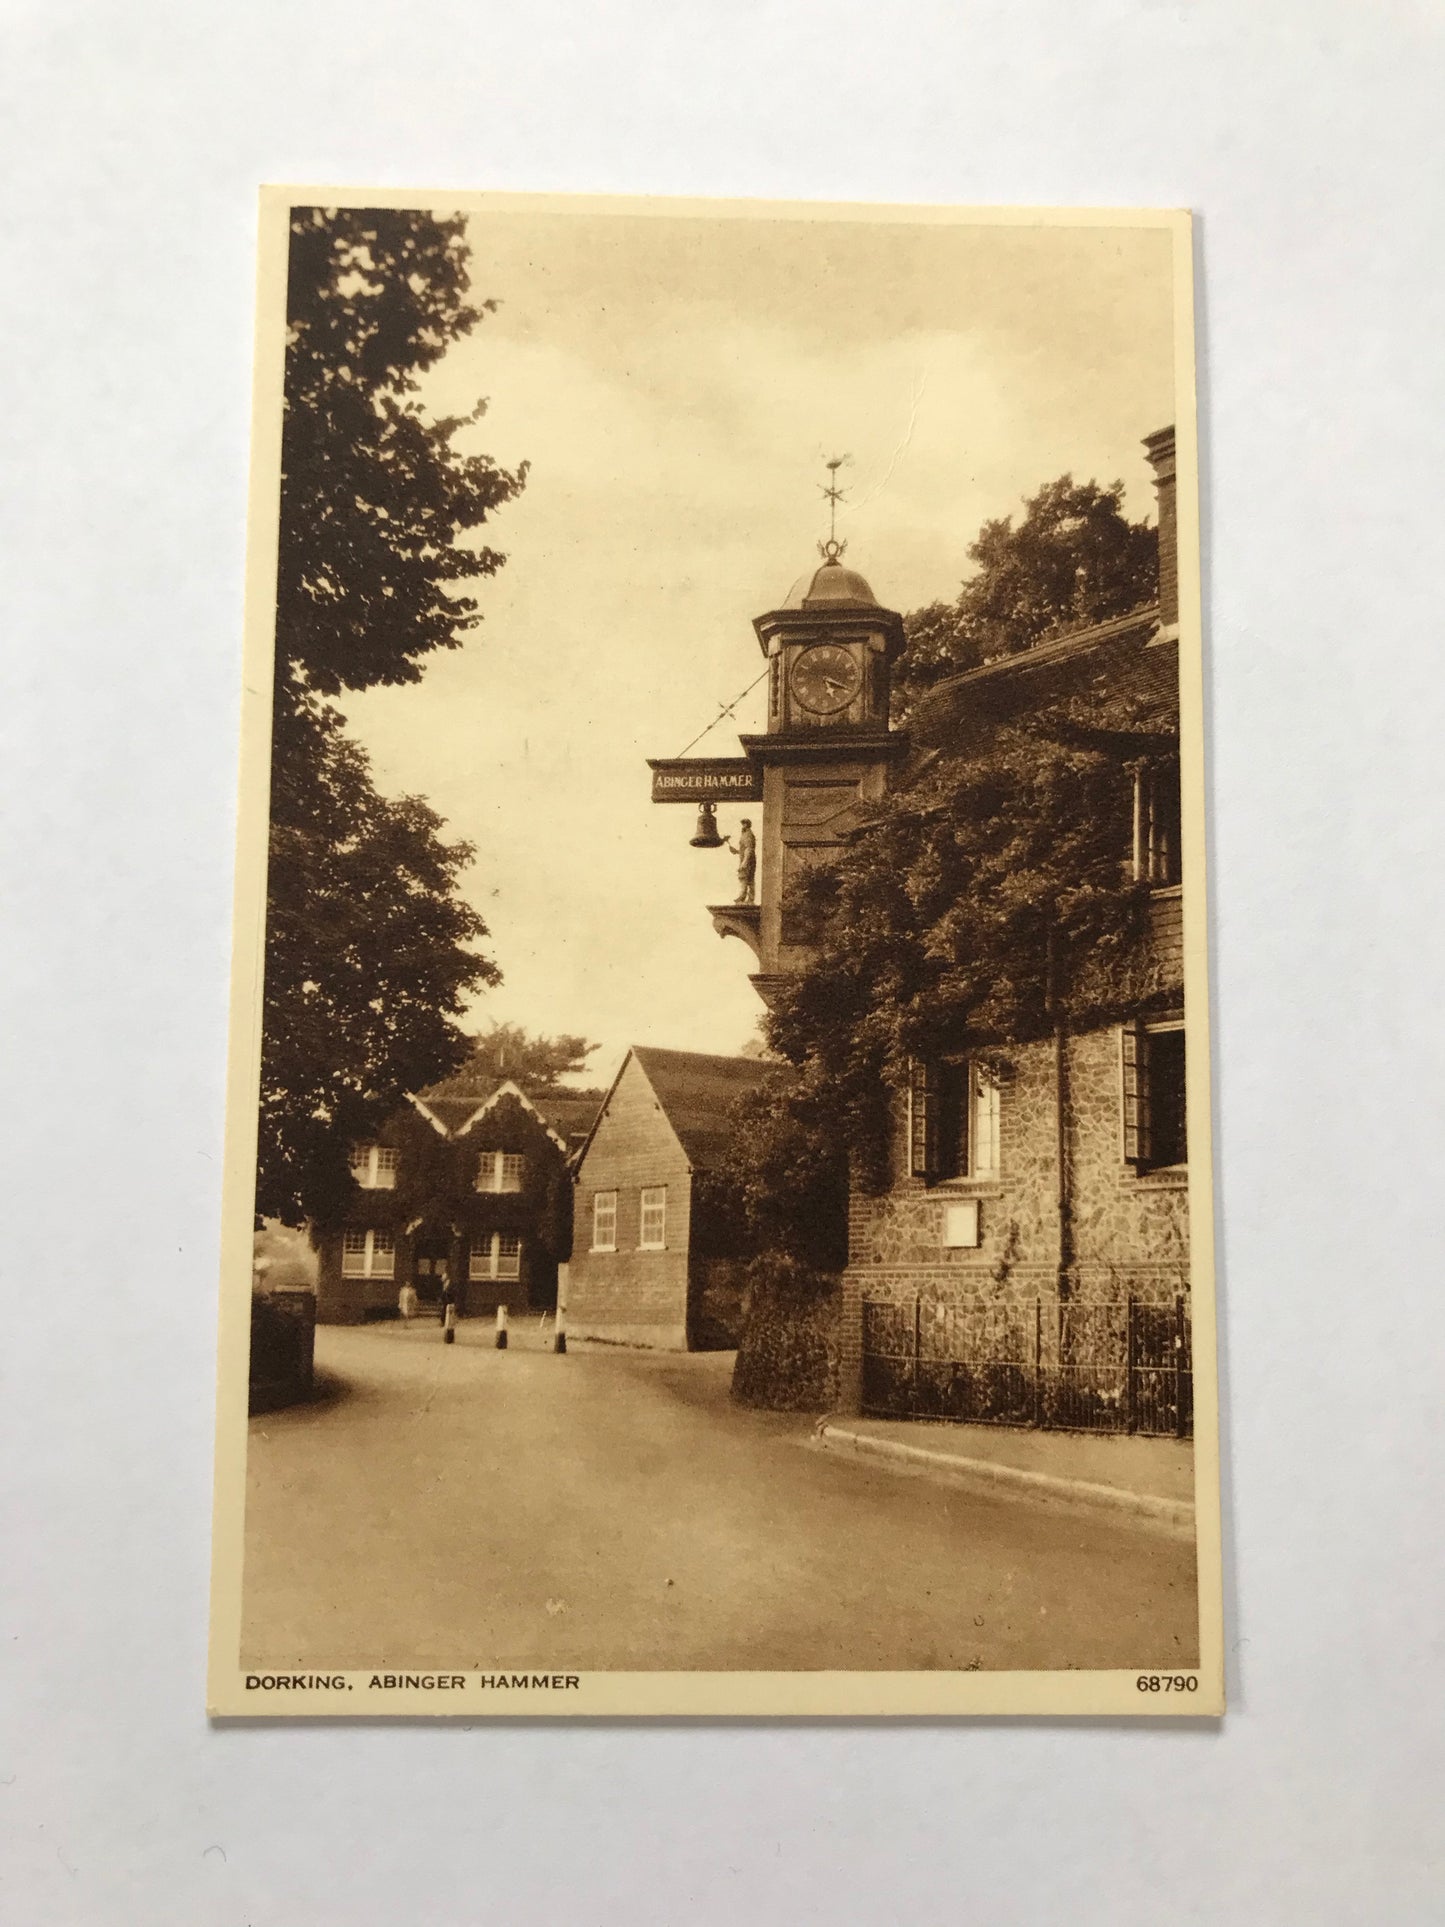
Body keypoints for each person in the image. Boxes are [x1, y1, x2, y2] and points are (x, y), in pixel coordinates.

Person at [727, 818, 757, 904]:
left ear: (747, 825)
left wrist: (744, 862)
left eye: (744, 824)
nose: (743, 826)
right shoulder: (746, 834)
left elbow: (749, 849)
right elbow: (744, 849)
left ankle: (742, 897)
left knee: (744, 877)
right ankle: (749, 899)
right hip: (748, 858)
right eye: (742, 824)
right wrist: (736, 851)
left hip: (748, 859)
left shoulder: (747, 834)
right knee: (749, 878)